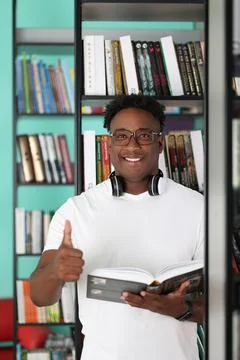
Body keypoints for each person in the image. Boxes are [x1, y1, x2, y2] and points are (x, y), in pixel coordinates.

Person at [30, 94, 204, 360]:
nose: (132, 146)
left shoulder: (198, 207)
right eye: (121, 136)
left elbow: (223, 303)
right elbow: (40, 297)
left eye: (144, 135)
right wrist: (55, 270)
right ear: (109, 144)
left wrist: (179, 308)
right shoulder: (76, 210)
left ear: (159, 143)